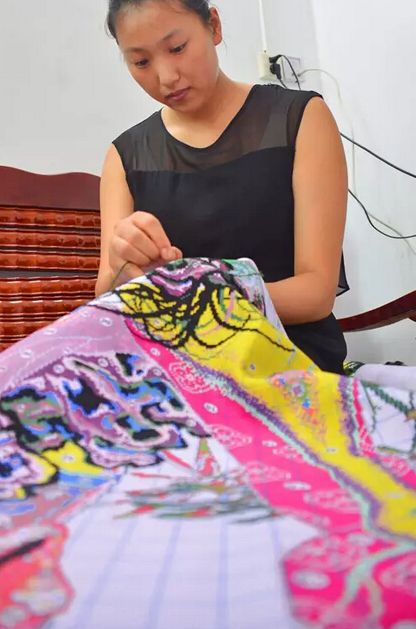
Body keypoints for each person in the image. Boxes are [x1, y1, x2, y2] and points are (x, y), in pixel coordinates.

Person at [96, 0, 349, 374]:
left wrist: (189, 291)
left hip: (289, 361)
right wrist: (126, 269)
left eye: (177, 48)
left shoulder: (298, 118)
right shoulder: (125, 156)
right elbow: (107, 297)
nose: (166, 77)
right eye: (141, 62)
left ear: (213, 26)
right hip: (177, 367)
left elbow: (316, 294)